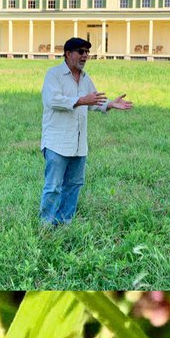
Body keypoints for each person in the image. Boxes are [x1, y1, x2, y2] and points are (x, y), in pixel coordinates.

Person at [39, 37, 133, 226]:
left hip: (78, 144)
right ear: (68, 54)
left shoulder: (84, 77)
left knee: (74, 185)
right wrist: (82, 100)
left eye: (87, 52)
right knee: (53, 186)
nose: (85, 56)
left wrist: (110, 104)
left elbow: (94, 101)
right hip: (57, 142)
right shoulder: (54, 74)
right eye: (81, 52)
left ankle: (64, 222)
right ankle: (46, 224)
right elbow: (53, 101)